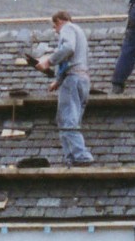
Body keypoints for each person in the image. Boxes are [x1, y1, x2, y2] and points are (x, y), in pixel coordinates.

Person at [37, 9, 93, 164]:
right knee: (71, 121)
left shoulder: (67, 28)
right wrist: (58, 81)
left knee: (67, 120)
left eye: (54, 27)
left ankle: (80, 156)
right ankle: (71, 158)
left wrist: (48, 62)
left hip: (73, 80)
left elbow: (68, 49)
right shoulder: (79, 32)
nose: (55, 31)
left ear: (59, 21)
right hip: (82, 79)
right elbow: (73, 59)